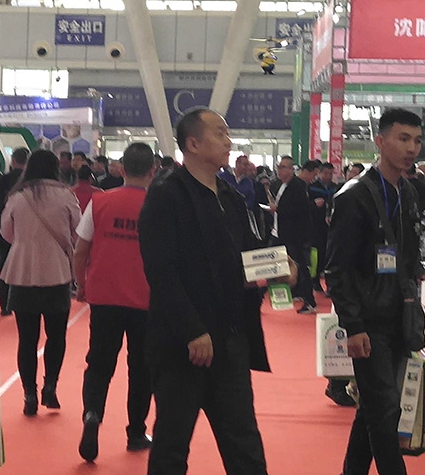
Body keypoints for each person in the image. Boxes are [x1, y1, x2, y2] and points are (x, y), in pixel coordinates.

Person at [139, 109, 282, 475]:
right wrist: (192, 330)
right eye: (220, 133)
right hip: (182, 346)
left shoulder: (230, 196)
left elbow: (247, 257)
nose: (228, 142)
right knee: (171, 448)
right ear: (193, 143)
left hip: (230, 342)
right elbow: (161, 272)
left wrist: (281, 266)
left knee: (246, 448)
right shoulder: (166, 194)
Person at [326, 108, 425, 475]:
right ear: (380, 141)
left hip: (401, 315)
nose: (411, 148)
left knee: (375, 406)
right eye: (403, 139)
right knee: (385, 410)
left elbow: (408, 251)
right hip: (369, 321)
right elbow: (336, 269)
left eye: (417, 141)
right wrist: (353, 325)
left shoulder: (409, 192)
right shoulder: (354, 196)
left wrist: (416, 275)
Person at [74, 143, 155, 462]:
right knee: (141, 368)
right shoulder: (157, 207)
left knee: (99, 363)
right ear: (152, 172)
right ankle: (136, 431)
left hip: (104, 296)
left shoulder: (100, 202)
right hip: (146, 300)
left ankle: (92, 414)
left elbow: (81, 250)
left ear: (121, 169)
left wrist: (81, 285)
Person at [0, 149, 81, 416]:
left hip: (22, 273)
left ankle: (29, 394)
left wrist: (26, 242)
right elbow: (78, 231)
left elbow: (6, 233)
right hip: (57, 273)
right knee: (56, 336)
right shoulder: (66, 196)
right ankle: (50, 387)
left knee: (27, 339)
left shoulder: (17, 196)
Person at [267, 156, 317, 314]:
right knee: (275, 262)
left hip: (295, 235)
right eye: (278, 167)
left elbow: (300, 210)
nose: (279, 170)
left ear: (290, 169)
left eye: (282, 167)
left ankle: (309, 300)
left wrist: (278, 209)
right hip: (279, 232)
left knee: (300, 266)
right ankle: (292, 292)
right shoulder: (281, 185)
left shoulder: (297, 186)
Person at [0, 147, 30, 315]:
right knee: (25, 270)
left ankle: (5, 304)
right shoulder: (31, 183)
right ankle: (23, 304)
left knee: (5, 269)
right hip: (26, 233)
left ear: (13, 161)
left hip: (5, 231)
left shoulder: (2, 181)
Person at [309, 162, 338, 294]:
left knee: (330, 255)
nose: (328, 176)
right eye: (325, 173)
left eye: (330, 173)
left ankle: (329, 284)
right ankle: (315, 281)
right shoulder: (312, 188)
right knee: (317, 254)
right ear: (319, 173)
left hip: (331, 226)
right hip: (316, 226)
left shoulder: (335, 188)